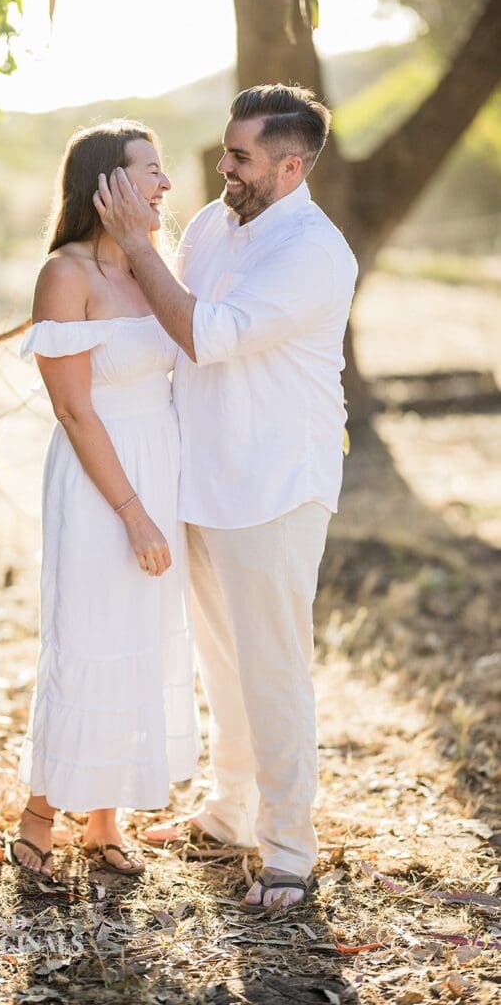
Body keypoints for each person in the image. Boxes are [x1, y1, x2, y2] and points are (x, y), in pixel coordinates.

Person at [93, 84, 358, 911]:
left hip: (276, 486)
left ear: (290, 164)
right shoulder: (212, 223)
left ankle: (286, 851)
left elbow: (205, 335)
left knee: (273, 670)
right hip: (202, 478)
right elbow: (162, 320)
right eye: (224, 149)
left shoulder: (312, 251)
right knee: (223, 664)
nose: (222, 166)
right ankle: (230, 810)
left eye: (240, 157)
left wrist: (138, 247)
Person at [9, 120, 200, 879]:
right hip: (101, 482)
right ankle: (36, 820)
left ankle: (104, 822)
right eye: (148, 170)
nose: (164, 184)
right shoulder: (67, 274)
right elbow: (75, 410)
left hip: (160, 464)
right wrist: (132, 511)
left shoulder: (153, 268)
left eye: (161, 170)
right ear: (106, 185)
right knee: (86, 638)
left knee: (139, 637)